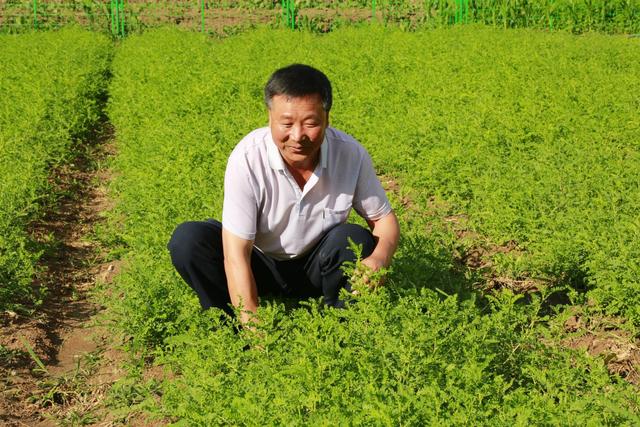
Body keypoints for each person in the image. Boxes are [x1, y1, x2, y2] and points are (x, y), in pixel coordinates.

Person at [168, 64, 400, 325]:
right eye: (286, 123)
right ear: (270, 118)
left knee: (353, 239)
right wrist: (254, 329)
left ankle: (346, 327)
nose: (298, 136)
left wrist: (380, 259)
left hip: (318, 267)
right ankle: (228, 327)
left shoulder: (350, 154)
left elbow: (384, 221)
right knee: (188, 240)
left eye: (311, 123)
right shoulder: (248, 158)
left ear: (327, 118)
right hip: (262, 265)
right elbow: (236, 254)